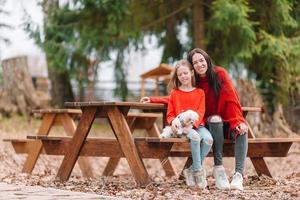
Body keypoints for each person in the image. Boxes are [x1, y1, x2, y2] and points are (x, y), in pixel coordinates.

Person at [141, 48, 248, 191]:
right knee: (215, 120)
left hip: (227, 121)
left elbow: (232, 98)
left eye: (201, 60)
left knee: (241, 131)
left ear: (207, 60)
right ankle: (218, 169)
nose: (199, 64)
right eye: (195, 62)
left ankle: (238, 176)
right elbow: (180, 96)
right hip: (209, 123)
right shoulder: (195, 81)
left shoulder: (220, 74)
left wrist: (238, 121)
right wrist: (154, 99)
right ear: (192, 67)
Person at [162, 59, 213, 189]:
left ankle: (191, 168)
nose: (183, 76)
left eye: (185, 73)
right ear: (177, 77)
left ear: (191, 72)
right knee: (195, 138)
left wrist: (193, 125)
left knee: (208, 140)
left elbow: (201, 112)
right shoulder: (175, 93)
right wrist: (173, 121)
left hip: (197, 125)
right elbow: (170, 113)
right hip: (183, 129)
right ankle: (198, 172)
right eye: (180, 75)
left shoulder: (199, 92)